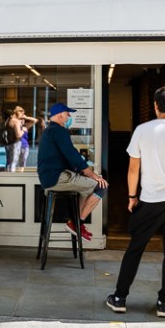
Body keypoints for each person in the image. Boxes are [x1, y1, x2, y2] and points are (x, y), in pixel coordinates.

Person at [106, 85, 165, 317]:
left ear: (156, 105)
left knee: (135, 249)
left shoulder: (142, 130)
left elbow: (133, 168)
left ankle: (119, 297)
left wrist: (131, 196)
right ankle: (164, 303)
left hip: (150, 200)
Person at [37, 102, 108, 242]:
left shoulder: (49, 131)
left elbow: (64, 156)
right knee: (100, 186)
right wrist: (92, 174)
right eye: (67, 113)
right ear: (59, 115)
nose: (69, 116)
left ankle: (75, 223)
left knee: (85, 188)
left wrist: (82, 171)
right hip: (57, 178)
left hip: (49, 178)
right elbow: (71, 154)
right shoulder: (59, 131)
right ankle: (77, 224)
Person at [5, 106, 38, 172]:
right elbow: (18, 135)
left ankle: (15, 174)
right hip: (15, 144)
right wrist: (23, 130)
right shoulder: (15, 122)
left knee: (16, 162)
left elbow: (35, 120)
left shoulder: (10, 121)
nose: (22, 119)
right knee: (13, 162)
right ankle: (12, 176)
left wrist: (25, 117)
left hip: (21, 145)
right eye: (22, 114)